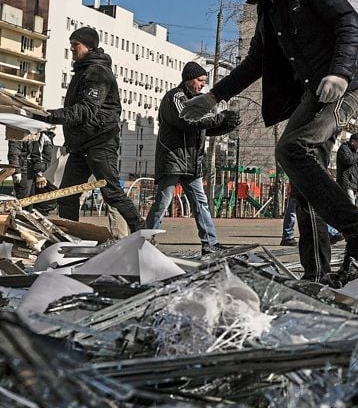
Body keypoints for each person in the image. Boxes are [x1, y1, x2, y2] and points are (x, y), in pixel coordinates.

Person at [180, 0, 358, 284]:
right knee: (304, 184)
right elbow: (256, 60)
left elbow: (349, 22)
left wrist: (340, 72)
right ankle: (316, 273)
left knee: (291, 148)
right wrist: (213, 97)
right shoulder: (268, 8)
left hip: (341, 88)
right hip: (311, 94)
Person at [43, 26, 145, 231]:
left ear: (89, 47)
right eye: (71, 45)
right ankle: (69, 235)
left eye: (75, 45)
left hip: (100, 141)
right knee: (68, 194)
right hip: (81, 145)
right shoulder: (83, 71)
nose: (72, 49)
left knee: (111, 192)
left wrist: (49, 116)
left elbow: (85, 110)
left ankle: (142, 230)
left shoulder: (97, 72)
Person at [145, 61, 239, 254]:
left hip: (191, 162)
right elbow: (186, 121)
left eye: (204, 81)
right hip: (173, 159)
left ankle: (210, 244)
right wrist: (220, 118)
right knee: (163, 201)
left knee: (200, 203)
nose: (203, 84)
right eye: (200, 80)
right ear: (189, 79)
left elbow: (204, 128)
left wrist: (228, 124)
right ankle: (144, 241)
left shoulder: (200, 102)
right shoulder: (175, 97)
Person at [8, 128, 57, 211]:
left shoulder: (45, 136)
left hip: (33, 168)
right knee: (23, 196)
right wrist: (17, 172)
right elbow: (14, 154)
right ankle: (21, 216)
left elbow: (44, 156)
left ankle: (30, 215)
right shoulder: (23, 132)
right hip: (24, 168)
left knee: (33, 197)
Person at [336, 133, 358, 206]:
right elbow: (349, 160)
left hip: (352, 185)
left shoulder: (354, 152)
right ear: (353, 141)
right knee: (352, 207)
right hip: (346, 183)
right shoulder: (344, 148)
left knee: (347, 206)